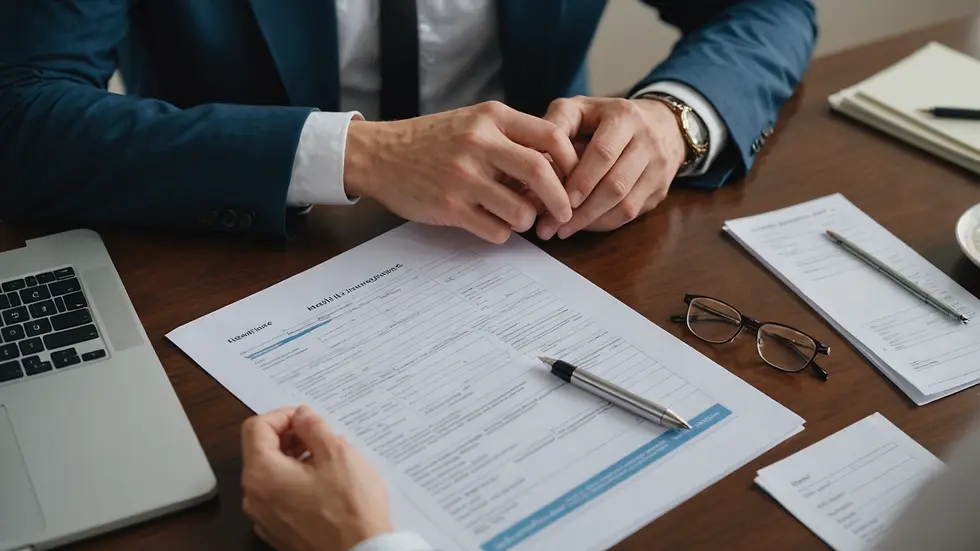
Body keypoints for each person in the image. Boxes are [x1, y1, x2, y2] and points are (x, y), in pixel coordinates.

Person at [0, 1, 816, 243]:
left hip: (547, 234)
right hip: (237, 244)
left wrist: (672, 120)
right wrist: (359, 152)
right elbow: (23, 112)